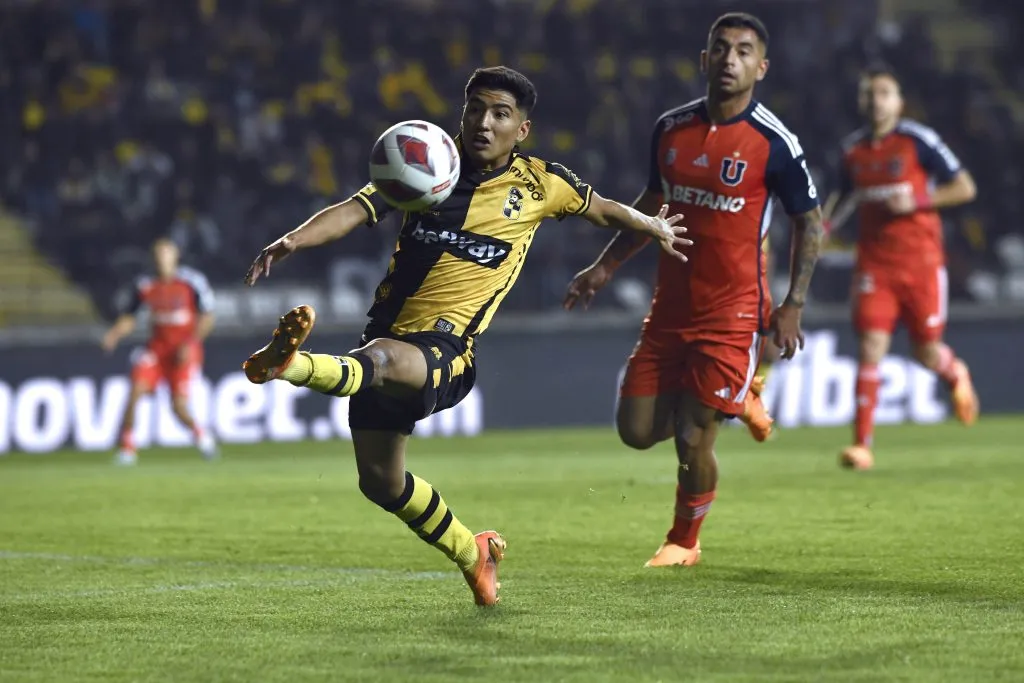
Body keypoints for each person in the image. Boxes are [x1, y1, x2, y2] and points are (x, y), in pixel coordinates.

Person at [241, 66, 692, 607]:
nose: (483, 122)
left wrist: (655, 226)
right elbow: (356, 209)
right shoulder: (428, 162)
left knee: (379, 362)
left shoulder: (541, 184)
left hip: (449, 350)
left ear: (521, 129)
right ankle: (474, 553)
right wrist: (291, 241)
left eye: (500, 114)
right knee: (381, 483)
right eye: (475, 108)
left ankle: (286, 365)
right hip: (387, 332)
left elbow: (603, 209)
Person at [563, 13, 825, 568]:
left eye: (744, 51)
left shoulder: (774, 142)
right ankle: (740, 399)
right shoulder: (670, 129)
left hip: (732, 313)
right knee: (635, 432)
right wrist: (606, 268)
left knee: (691, 434)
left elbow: (812, 221)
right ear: (704, 60)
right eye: (721, 49)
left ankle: (684, 540)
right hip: (670, 311)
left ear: (761, 67)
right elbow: (655, 204)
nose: (731, 59)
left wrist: (792, 304)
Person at [823, 64, 979, 471]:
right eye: (869, 93)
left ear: (898, 101)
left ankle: (953, 371)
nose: (876, 100)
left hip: (922, 264)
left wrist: (919, 200)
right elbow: (837, 200)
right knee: (871, 347)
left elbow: (965, 187)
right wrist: (821, 229)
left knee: (926, 351)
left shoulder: (919, 141)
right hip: (875, 265)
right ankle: (862, 446)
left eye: (884, 93)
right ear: (862, 101)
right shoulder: (851, 152)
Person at [102, 238, 218, 465]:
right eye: (157, 254)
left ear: (175, 256)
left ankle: (201, 436)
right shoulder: (145, 284)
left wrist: (191, 343)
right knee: (135, 391)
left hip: (183, 351)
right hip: (156, 349)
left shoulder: (192, 282)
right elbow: (130, 317)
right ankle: (127, 448)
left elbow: (207, 318)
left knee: (178, 406)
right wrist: (114, 334)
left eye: (166, 253)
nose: (161, 259)